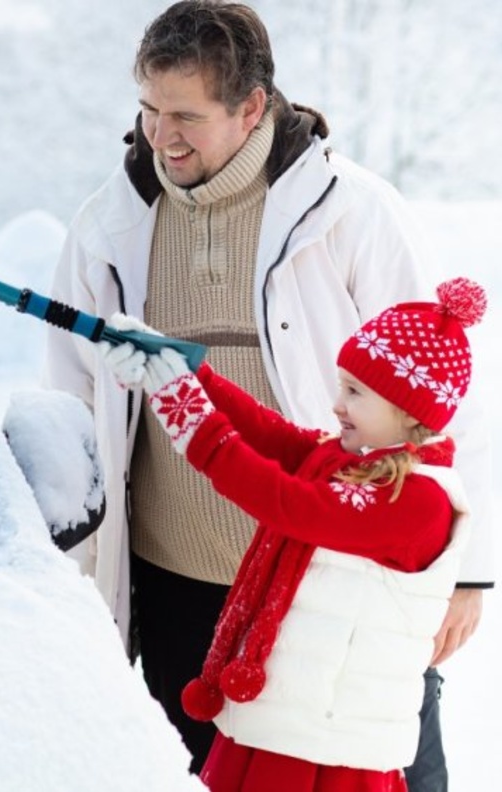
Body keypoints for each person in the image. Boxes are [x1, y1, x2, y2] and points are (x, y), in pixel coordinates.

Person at [42, 0, 494, 785]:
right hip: (176, 579)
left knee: (382, 769)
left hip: (343, 576)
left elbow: (448, 394)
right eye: (148, 110)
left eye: (187, 114)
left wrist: (468, 568)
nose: (161, 136)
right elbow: (74, 395)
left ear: (252, 107)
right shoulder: (108, 224)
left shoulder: (349, 213)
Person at [97, 278, 484, 792]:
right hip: (283, 724)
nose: (337, 404)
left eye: (356, 392)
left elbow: (290, 506)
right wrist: (186, 370)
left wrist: (185, 412)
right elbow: (271, 434)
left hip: (331, 748)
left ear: (406, 411)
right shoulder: (354, 461)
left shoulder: (416, 501)